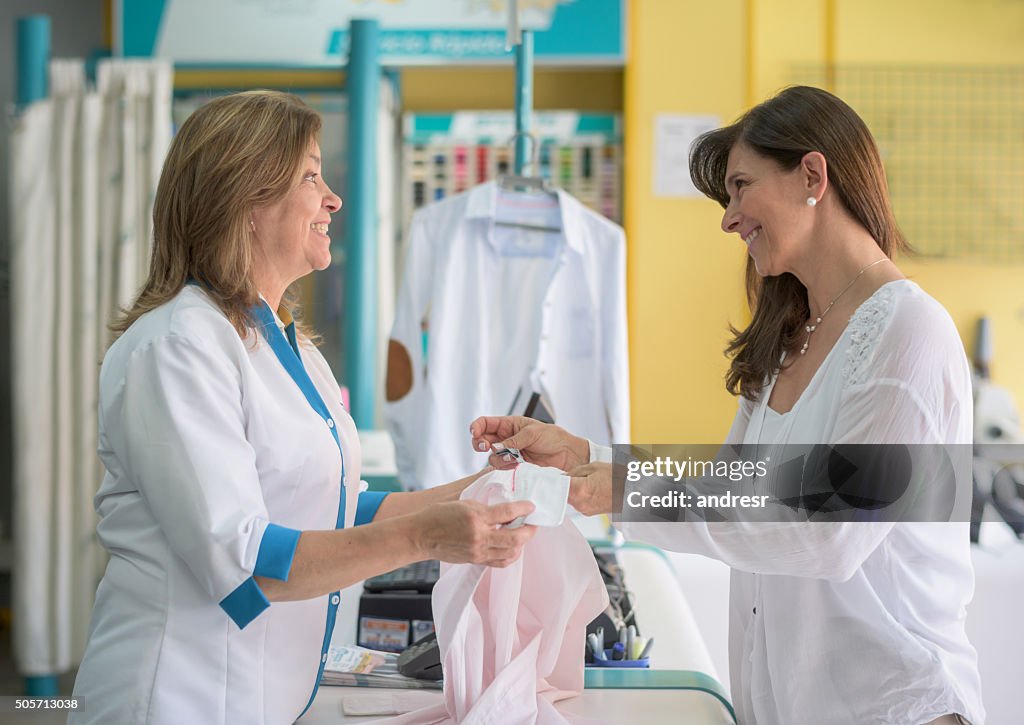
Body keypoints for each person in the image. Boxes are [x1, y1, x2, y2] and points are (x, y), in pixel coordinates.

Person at [471, 86, 984, 725]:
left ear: (812, 176)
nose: (729, 217)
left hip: (894, 708)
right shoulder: (790, 337)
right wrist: (584, 456)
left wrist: (626, 490)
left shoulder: (909, 331)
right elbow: (734, 488)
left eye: (741, 186)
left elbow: (830, 530)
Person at [70, 90, 536, 725]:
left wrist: (489, 485)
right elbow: (249, 560)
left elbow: (338, 506)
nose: (332, 198)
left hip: (264, 697)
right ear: (246, 199)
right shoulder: (177, 346)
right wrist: (425, 537)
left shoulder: (285, 344)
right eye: (310, 176)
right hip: (179, 697)